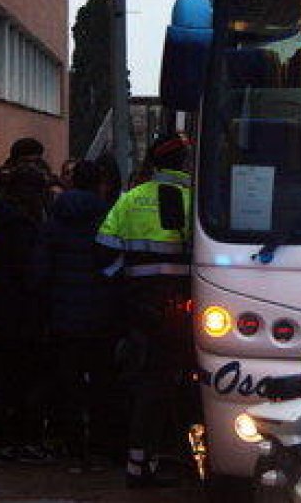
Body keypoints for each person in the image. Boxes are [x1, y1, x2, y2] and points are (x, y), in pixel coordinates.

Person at [94, 134, 194, 488]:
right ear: (184, 162)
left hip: (140, 307)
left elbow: (103, 253)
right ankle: (148, 462)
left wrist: (129, 284)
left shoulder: (130, 199)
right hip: (184, 307)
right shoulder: (194, 202)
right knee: (167, 383)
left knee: (146, 380)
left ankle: (142, 459)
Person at [30, 159, 120, 471]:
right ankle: (100, 443)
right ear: (99, 184)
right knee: (102, 381)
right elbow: (115, 264)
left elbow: (40, 270)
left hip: (62, 314)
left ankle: (72, 443)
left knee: (67, 381)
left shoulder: (54, 221)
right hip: (100, 314)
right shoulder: (108, 217)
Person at [0, 163, 50, 463]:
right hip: (23, 311)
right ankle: (22, 437)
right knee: (25, 376)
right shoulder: (25, 224)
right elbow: (31, 272)